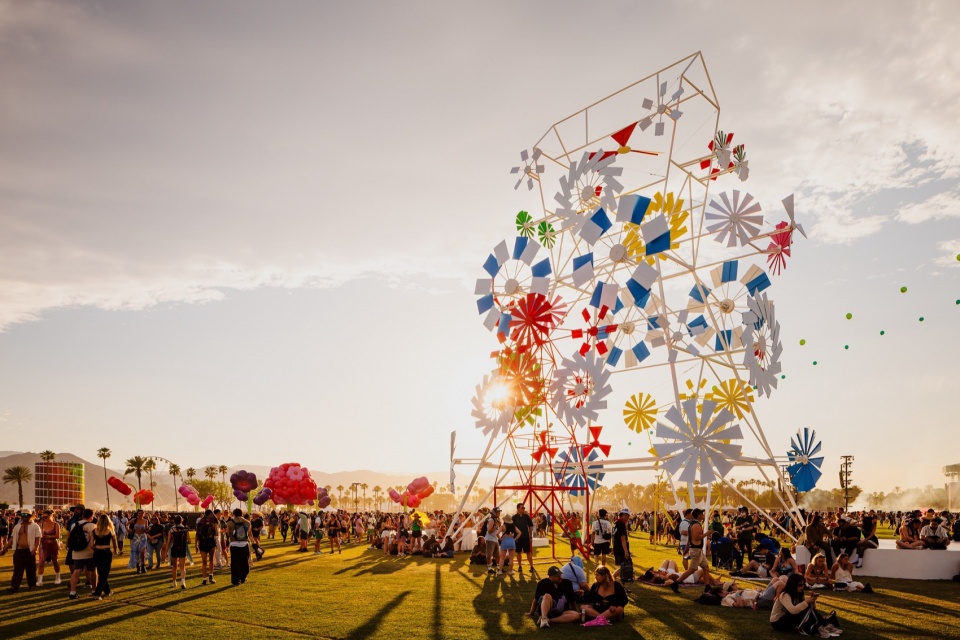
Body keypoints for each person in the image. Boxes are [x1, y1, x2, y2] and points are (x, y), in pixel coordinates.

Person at [769, 573, 841, 637]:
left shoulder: (799, 594)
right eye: (800, 585)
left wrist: (812, 600)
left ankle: (821, 626)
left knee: (805, 607)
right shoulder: (785, 595)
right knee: (803, 607)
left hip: (788, 619)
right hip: (778, 622)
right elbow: (793, 610)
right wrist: (806, 602)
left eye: (803, 584)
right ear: (793, 585)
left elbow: (811, 609)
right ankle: (823, 625)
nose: (802, 587)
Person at [670, 509, 709, 594]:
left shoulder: (692, 524)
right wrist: (707, 534)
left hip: (697, 550)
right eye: (702, 514)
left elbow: (689, 538)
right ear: (699, 515)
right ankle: (675, 583)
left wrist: (687, 548)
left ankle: (707, 587)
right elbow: (696, 538)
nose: (703, 515)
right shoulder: (696, 525)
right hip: (696, 550)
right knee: (692, 570)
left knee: (705, 567)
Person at [8, 512, 41, 593]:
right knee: (17, 569)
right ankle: (14, 586)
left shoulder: (35, 526)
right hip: (19, 550)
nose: (24, 517)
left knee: (31, 569)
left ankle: (32, 585)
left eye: (26, 515)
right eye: (22, 515)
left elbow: (38, 539)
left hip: (29, 550)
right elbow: (12, 538)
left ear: (30, 516)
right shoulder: (17, 526)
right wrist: (4, 549)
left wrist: (35, 549)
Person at [68, 508, 96, 600]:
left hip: (76, 552)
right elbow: (94, 540)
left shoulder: (74, 525)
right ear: (91, 516)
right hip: (89, 552)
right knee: (93, 571)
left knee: (76, 571)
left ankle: (72, 592)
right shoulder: (92, 526)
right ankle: (94, 590)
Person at [91, 512, 119, 599]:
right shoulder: (110, 531)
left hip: (97, 552)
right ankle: (97, 593)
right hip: (106, 552)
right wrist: (115, 550)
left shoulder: (94, 531)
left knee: (101, 573)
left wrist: (95, 549)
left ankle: (107, 591)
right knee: (104, 574)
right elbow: (115, 543)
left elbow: (91, 545)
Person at [225, 508, 251, 586]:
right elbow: (248, 533)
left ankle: (235, 580)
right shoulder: (247, 522)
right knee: (244, 561)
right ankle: (243, 576)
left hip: (234, 544)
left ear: (234, 514)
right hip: (244, 544)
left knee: (235, 563)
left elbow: (228, 533)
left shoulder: (229, 523)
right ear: (242, 514)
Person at [37, 510, 62, 586]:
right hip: (43, 545)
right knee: (41, 562)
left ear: (51, 516)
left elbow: (57, 535)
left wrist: (48, 536)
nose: (44, 519)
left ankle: (58, 577)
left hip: (53, 545)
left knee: (55, 561)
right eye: (43, 517)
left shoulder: (56, 525)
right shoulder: (41, 524)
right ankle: (39, 580)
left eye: (46, 517)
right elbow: (39, 535)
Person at [195, 509, 219, 585]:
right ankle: (208, 578)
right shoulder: (209, 521)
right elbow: (216, 533)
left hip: (206, 541)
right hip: (207, 541)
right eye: (211, 514)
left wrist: (196, 545)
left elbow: (197, 534)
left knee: (206, 561)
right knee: (208, 560)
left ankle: (207, 578)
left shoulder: (203, 522)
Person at [167, 515, 190, 590]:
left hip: (174, 549)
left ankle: (174, 582)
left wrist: (166, 552)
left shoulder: (171, 530)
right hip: (182, 549)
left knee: (174, 567)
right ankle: (183, 582)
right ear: (181, 520)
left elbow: (168, 542)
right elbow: (189, 540)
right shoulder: (185, 529)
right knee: (182, 567)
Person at [513, 504, 535, 573]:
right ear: (518, 508)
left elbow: (530, 526)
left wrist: (530, 536)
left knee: (528, 552)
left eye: (524, 508)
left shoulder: (526, 516)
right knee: (518, 552)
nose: (524, 509)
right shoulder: (514, 517)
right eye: (522, 508)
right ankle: (520, 566)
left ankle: (531, 566)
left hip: (526, 537)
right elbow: (512, 527)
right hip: (517, 538)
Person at [483, 509, 501, 575]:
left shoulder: (495, 520)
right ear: (494, 513)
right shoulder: (491, 520)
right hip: (490, 539)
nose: (499, 513)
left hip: (495, 539)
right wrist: (495, 527)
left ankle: (499, 567)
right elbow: (489, 531)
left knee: (497, 555)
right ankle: (489, 569)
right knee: (489, 555)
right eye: (498, 512)